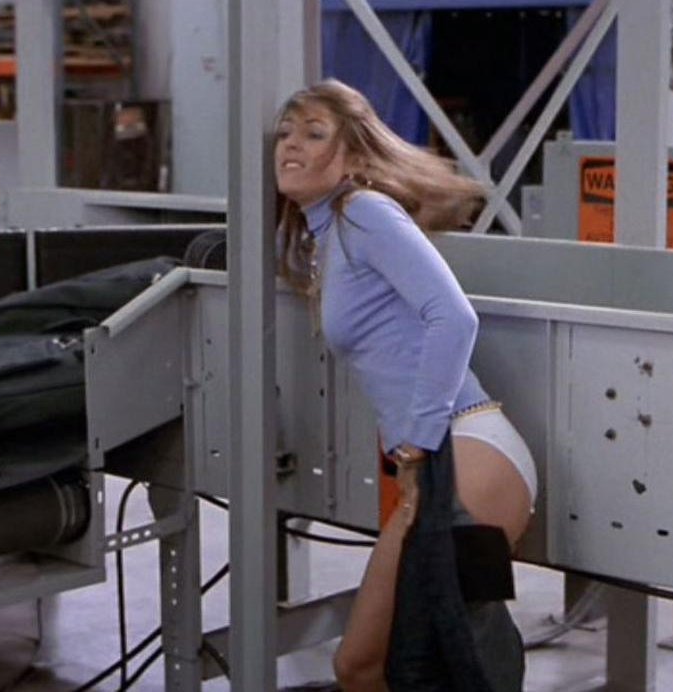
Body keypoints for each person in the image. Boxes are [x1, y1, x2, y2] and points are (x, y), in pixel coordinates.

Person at [274, 79, 538, 692]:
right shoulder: (330, 232)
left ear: (353, 155)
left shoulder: (363, 213)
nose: (291, 145)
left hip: (465, 452)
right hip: (452, 456)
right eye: (285, 133)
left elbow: (454, 317)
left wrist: (416, 445)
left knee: (366, 666)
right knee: (407, 670)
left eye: (314, 133)